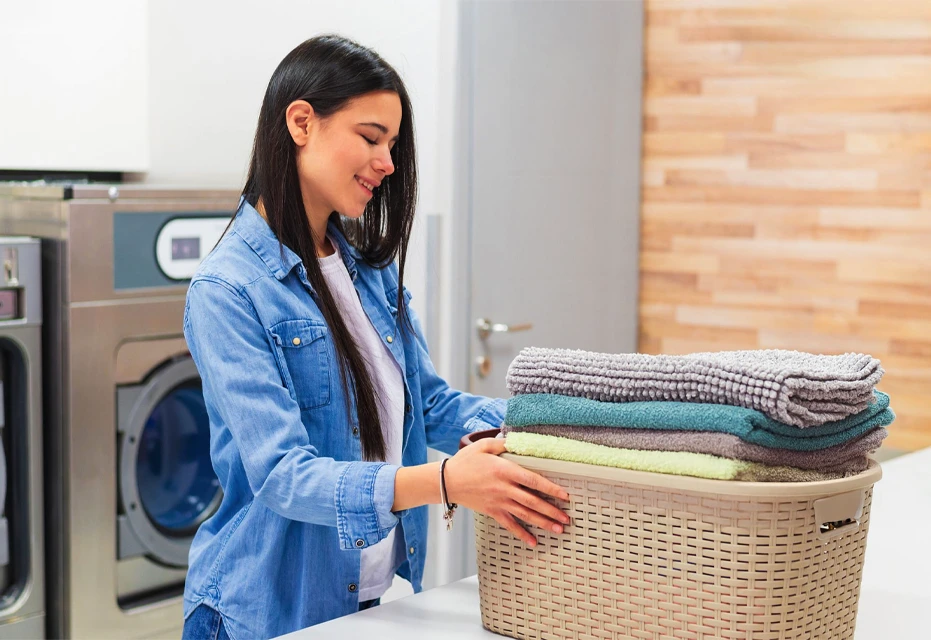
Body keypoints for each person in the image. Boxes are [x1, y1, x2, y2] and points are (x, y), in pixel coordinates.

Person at [180, 34, 570, 640]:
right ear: (302, 122)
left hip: (373, 600)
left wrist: (564, 427)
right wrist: (445, 482)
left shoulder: (366, 268)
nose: (387, 162)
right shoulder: (226, 290)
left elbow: (429, 405)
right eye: (370, 137)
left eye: (392, 143)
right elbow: (284, 474)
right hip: (263, 614)